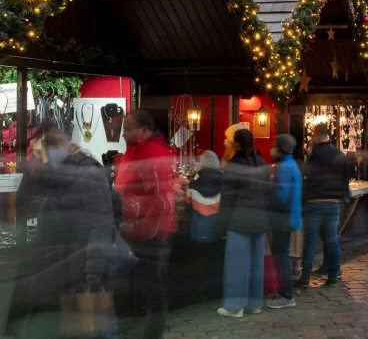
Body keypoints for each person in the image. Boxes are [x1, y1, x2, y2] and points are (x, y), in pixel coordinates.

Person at [9, 126, 114, 338]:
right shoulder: (48, 174)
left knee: (83, 326)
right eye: (49, 146)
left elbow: (101, 222)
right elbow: (24, 208)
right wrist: (32, 171)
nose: (52, 151)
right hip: (51, 265)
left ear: (66, 146)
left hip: (79, 264)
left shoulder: (88, 174)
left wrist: (94, 268)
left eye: (55, 145)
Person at [116, 110, 176, 339]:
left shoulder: (152, 154)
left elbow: (161, 201)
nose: (123, 132)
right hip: (138, 231)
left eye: (128, 128)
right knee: (146, 285)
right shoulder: (134, 152)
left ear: (143, 131)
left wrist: (142, 232)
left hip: (152, 235)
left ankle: (154, 333)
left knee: (153, 287)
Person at [217, 128, 272, 317]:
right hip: (260, 219)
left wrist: (221, 224)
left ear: (237, 144)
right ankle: (255, 304)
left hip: (239, 219)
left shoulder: (233, 166)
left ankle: (235, 306)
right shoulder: (263, 164)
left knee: (236, 265)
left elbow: (227, 199)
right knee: (257, 264)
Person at [296, 124, 349, 288]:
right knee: (332, 240)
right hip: (333, 203)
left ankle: (304, 278)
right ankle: (333, 275)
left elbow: (307, 176)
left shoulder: (315, 155)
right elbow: (346, 177)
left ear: (317, 135)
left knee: (311, 240)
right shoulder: (339, 154)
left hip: (314, 202)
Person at [266, 134, 302, 309]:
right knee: (282, 256)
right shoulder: (291, 164)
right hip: (289, 216)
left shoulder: (283, 167)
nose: (272, 147)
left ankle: (286, 295)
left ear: (280, 148)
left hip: (282, 218)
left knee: (281, 257)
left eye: (274, 144)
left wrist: (267, 193)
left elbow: (281, 196)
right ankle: (283, 292)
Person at [186, 150, 224, 298]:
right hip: (217, 229)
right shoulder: (224, 182)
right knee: (216, 260)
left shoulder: (193, 183)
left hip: (198, 229)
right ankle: (215, 291)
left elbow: (187, 204)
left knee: (199, 260)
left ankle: (199, 290)